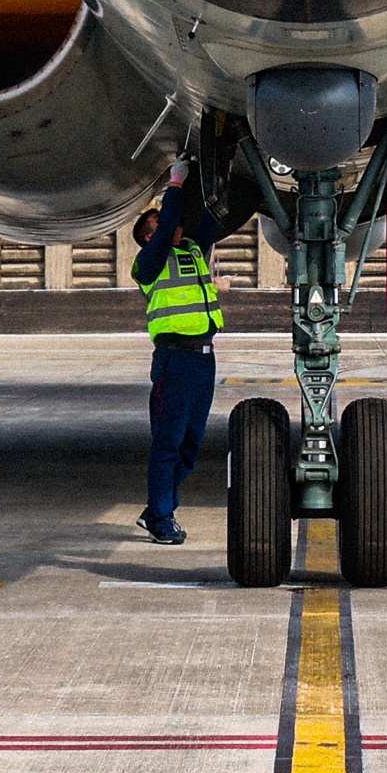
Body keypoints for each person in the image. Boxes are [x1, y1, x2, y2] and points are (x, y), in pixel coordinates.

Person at [129, 173, 221, 545]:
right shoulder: (148, 263)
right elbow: (169, 224)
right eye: (160, 225)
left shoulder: (193, 251)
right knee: (167, 442)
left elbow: (211, 222)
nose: (172, 225)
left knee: (191, 443)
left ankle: (156, 508)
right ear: (151, 237)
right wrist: (177, 183)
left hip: (204, 358)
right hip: (175, 359)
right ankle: (162, 517)